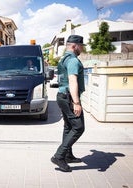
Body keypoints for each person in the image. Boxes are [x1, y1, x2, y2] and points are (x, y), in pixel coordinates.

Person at [51, 35, 85, 172]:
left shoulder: (63, 59)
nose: (82, 48)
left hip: (62, 96)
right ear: (74, 46)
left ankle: (68, 155)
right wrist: (76, 102)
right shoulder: (72, 61)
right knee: (78, 127)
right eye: (81, 46)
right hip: (69, 98)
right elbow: (72, 81)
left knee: (68, 127)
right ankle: (59, 156)